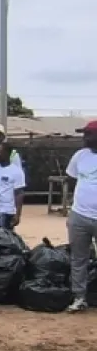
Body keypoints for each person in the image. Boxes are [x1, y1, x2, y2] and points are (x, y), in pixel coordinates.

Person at [65, 120, 97, 312]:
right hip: (79, 215)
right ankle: (79, 297)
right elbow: (71, 178)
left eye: (89, 134)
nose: (84, 138)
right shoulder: (79, 156)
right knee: (78, 259)